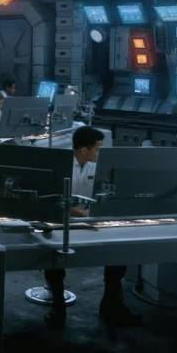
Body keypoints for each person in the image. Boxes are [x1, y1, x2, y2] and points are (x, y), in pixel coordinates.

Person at [43, 126, 140, 328]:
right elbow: (53, 200)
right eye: (97, 148)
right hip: (62, 223)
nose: (99, 152)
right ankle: (58, 306)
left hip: (90, 221)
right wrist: (81, 213)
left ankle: (111, 305)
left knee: (118, 252)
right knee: (55, 259)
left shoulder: (94, 167)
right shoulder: (61, 166)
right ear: (84, 150)